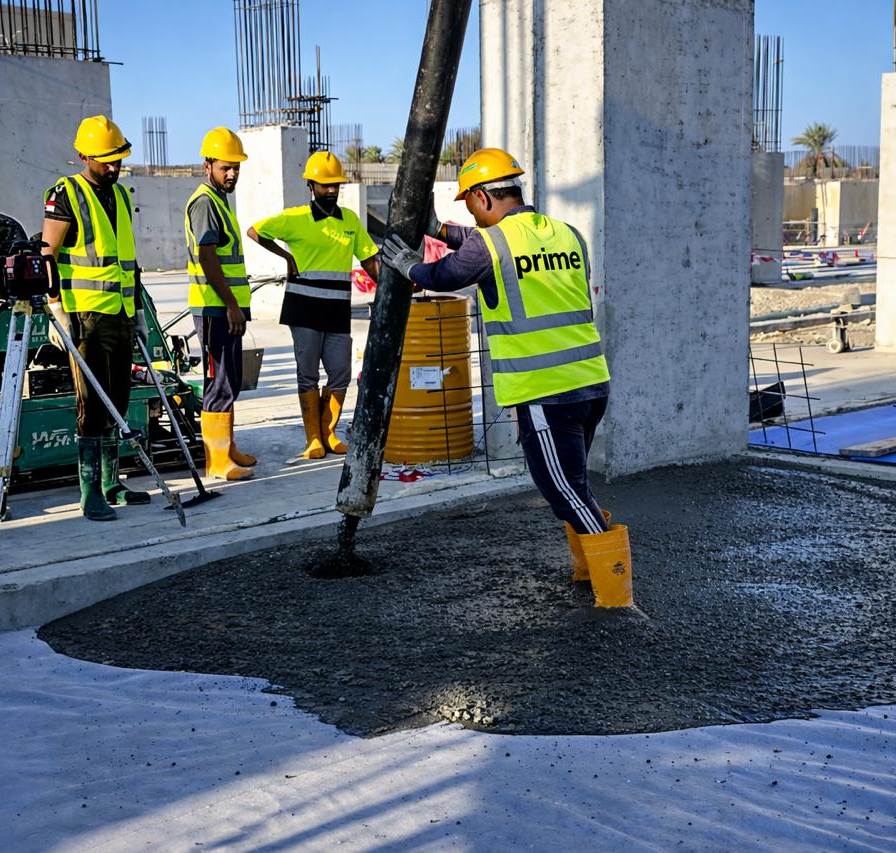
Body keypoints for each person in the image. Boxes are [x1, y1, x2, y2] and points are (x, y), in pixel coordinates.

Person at [378, 148, 629, 609]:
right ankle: (589, 571)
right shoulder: (566, 234)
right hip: (591, 383)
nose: (472, 215)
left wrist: (409, 265)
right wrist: (440, 230)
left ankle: (616, 597)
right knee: (574, 484)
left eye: (470, 204)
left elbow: (447, 273)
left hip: (544, 392)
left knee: (563, 491)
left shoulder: (489, 245)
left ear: (483, 197)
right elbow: (488, 245)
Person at [42, 115, 151, 522]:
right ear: (84, 155)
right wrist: (56, 308)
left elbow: (128, 261)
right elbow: (47, 254)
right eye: (107, 160)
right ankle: (89, 492)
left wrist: (138, 312)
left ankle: (111, 482)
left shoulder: (120, 195)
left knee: (117, 402)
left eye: (118, 158)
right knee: (91, 403)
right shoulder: (66, 193)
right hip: (85, 317)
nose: (114, 166)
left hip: (121, 313)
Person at [246, 151, 381, 460]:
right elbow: (255, 231)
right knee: (307, 374)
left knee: (341, 372)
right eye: (324, 185)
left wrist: (392, 284)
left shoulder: (350, 220)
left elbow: (369, 259)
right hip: (304, 309)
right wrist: (286, 257)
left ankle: (329, 432)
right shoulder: (295, 218)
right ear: (311, 186)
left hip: (337, 310)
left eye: (335, 185)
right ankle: (313, 439)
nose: (331, 190)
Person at [184, 127, 256, 480]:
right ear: (207, 166)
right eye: (225, 167)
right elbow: (208, 258)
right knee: (219, 382)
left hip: (225, 307)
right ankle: (216, 461)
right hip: (215, 309)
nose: (232, 174)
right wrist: (230, 305)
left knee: (231, 380)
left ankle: (227, 448)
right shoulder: (205, 203)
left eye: (236, 168)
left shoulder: (219, 200)